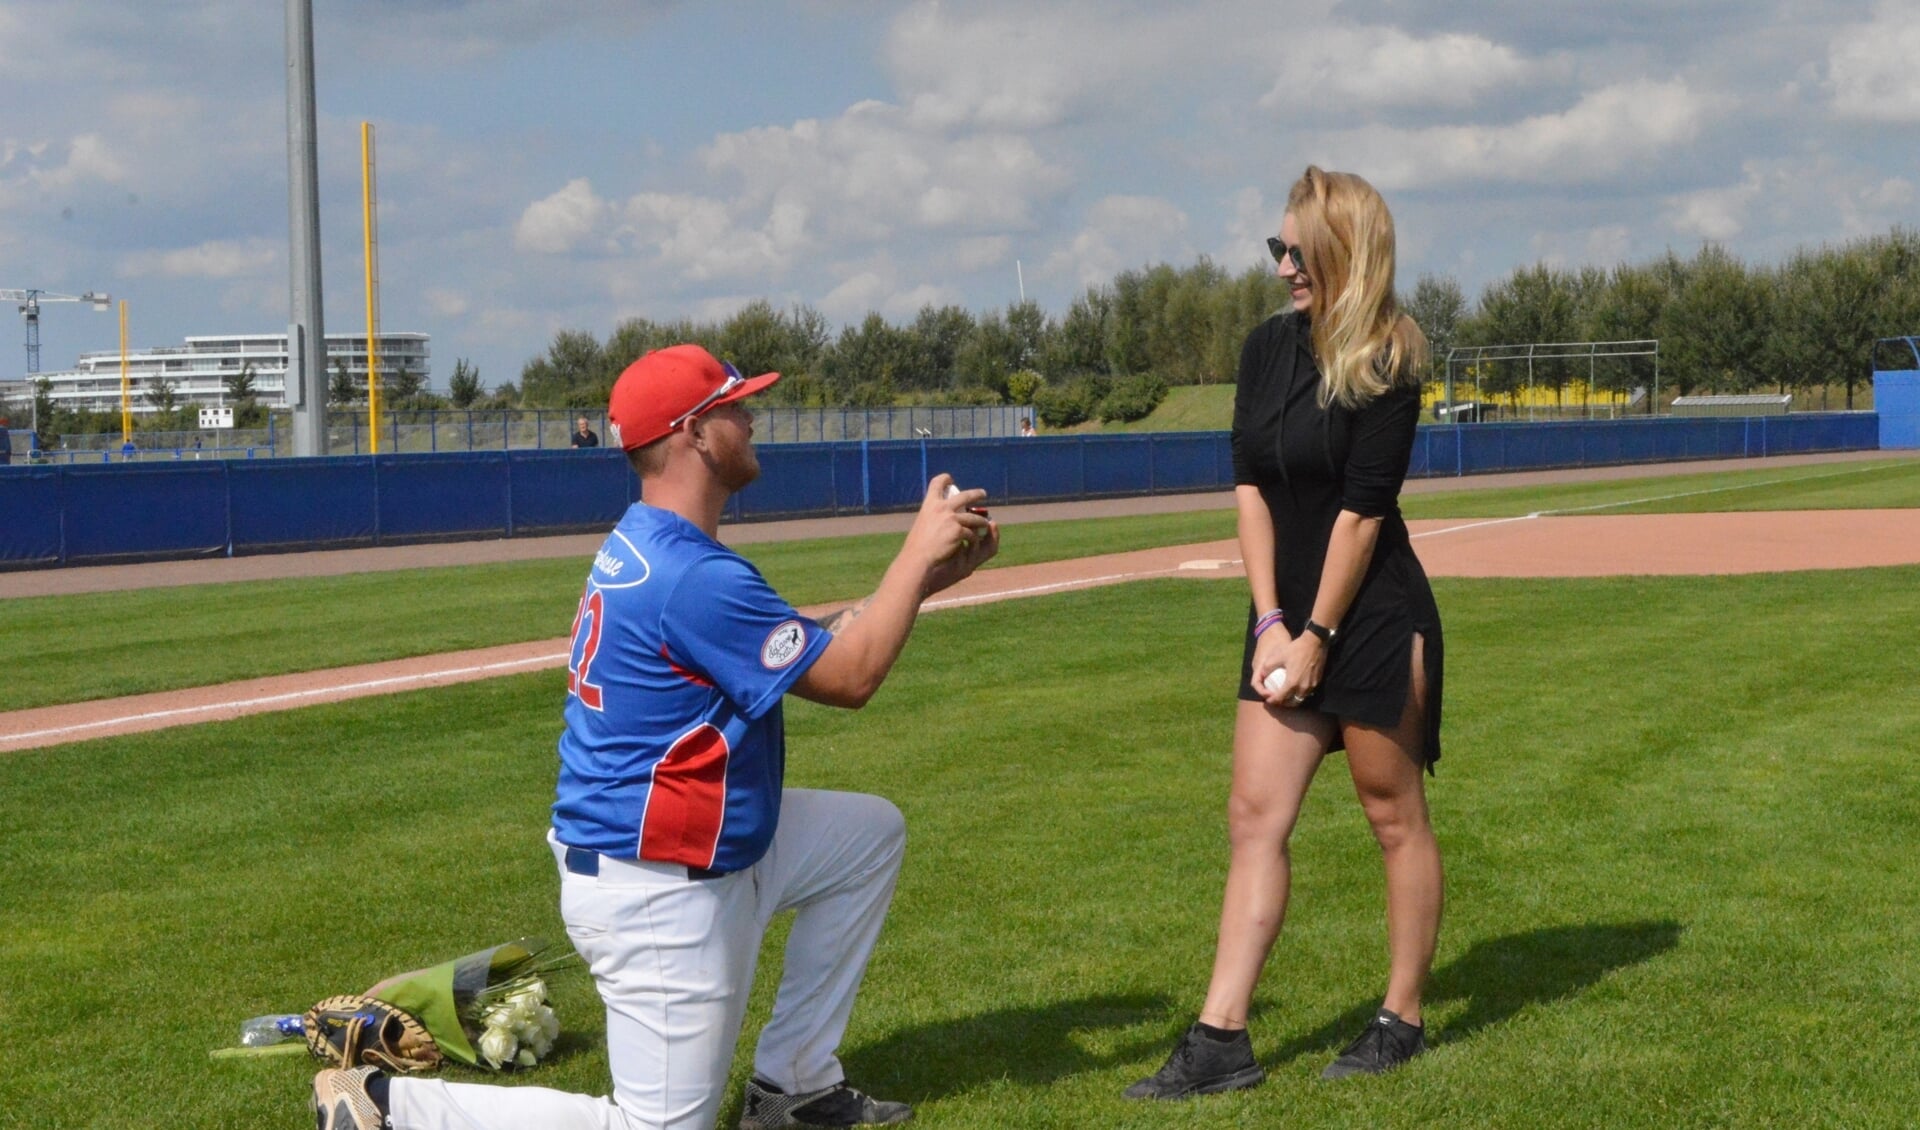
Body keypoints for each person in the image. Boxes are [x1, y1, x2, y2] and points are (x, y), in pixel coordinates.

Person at [311, 344, 997, 1130]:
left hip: (693, 845)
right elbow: (852, 680)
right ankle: (387, 1106)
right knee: (656, 1127)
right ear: (696, 434)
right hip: (656, 885)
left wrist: (925, 581)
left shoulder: (651, 544)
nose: (751, 417)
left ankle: (795, 1086)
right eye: (735, 408)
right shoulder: (690, 575)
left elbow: (815, 651)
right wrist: (914, 553)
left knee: (867, 835)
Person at [1127, 166, 1445, 1099]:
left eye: (1295, 252)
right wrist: (1270, 623)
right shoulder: (1267, 351)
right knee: (1253, 819)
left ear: (1344, 250)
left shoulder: (1391, 357)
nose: (1280, 270)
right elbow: (1250, 490)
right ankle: (1221, 1038)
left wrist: (1318, 636)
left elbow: (1361, 515)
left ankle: (1403, 1015)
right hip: (1283, 620)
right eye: (1277, 251)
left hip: (1371, 617)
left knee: (1393, 818)